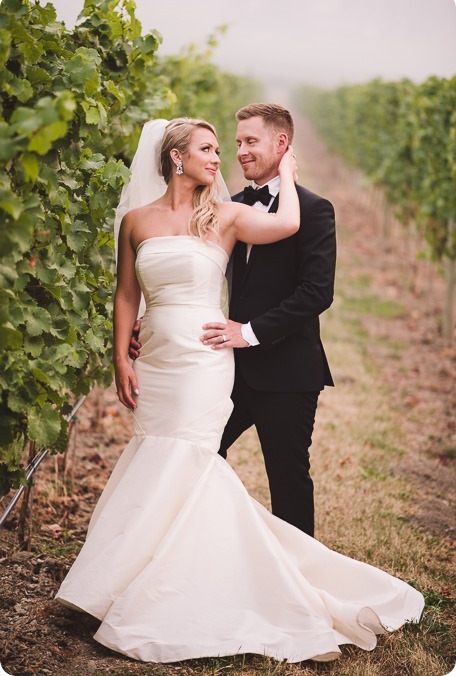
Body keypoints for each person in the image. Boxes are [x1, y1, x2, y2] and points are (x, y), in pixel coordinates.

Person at [55, 117, 423, 664]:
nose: (229, 154)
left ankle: (286, 587)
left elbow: (312, 282)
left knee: (260, 474)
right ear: (175, 157)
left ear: (280, 144)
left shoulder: (237, 213)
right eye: (217, 145)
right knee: (170, 466)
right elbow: (128, 291)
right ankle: (150, 576)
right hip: (162, 364)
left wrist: (291, 177)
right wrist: (123, 349)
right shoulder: (144, 219)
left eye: (244, 142)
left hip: (234, 364)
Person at [200, 103, 336, 537]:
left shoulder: (315, 210)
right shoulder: (232, 207)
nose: (240, 151)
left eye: (250, 141)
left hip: (288, 372)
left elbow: (316, 293)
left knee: (288, 482)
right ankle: (209, 549)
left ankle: (298, 584)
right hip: (229, 370)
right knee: (199, 454)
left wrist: (250, 333)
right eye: (237, 142)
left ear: (282, 144)